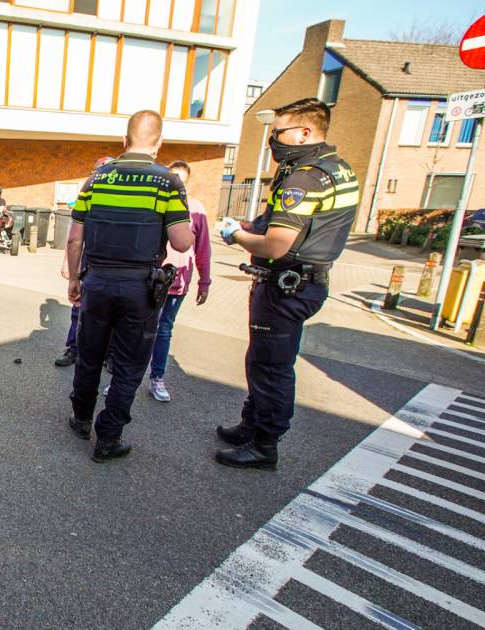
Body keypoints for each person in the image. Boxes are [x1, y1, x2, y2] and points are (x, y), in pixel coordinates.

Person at [215, 97, 359, 470]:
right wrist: (251, 227)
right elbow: (291, 225)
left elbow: (278, 244)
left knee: (271, 366)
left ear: (305, 132)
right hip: (301, 281)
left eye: (278, 132)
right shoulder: (336, 169)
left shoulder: (305, 177)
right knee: (262, 359)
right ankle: (252, 424)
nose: (273, 140)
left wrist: (236, 237)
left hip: (287, 284)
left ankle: (264, 444)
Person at [66, 111, 194, 463]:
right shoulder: (167, 181)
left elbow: (76, 238)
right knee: (128, 364)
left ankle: (80, 419)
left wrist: (75, 279)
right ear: (159, 143)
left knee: (89, 355)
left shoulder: (95, 180)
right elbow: (182, 243)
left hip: (97, 282)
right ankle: (108, 438)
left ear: (124, 140)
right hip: (140, 287)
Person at [145, 160, 213, 401]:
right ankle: (126, 379)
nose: (177, 185)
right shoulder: (155, 202)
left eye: (181, 182)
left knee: (163, 330)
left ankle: (156, 379)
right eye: (173, 178)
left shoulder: (196, 209)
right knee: (140, 329)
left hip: (177, 283)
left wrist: (205, 281)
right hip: (151, 279)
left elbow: (203, 247)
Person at [56, 157, 113, 368]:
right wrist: (68, 265)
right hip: (88, 261)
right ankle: (73, 348)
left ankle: (108, 354)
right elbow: (74, 237)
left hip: (111, 265)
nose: (101, 175)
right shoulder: (87, 196)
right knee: (78, 308)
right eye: (97, 171)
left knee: (109, 313)